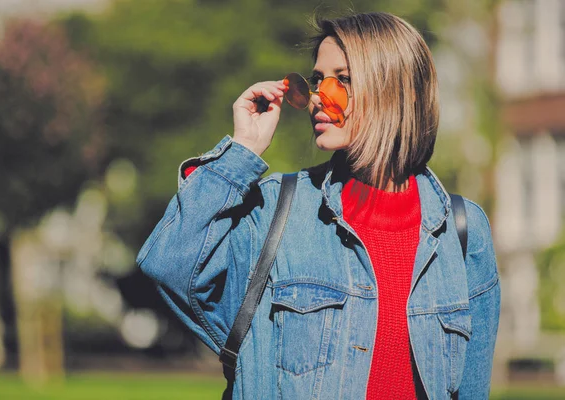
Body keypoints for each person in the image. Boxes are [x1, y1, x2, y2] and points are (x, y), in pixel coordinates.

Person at [136, 11, 501, 400]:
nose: (317, 96)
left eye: (343, 79)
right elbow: (169, 262)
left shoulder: (463, 231)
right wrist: (242, 152)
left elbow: (471, 389)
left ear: (402, 91)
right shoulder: (278, 209)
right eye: (317, 80)